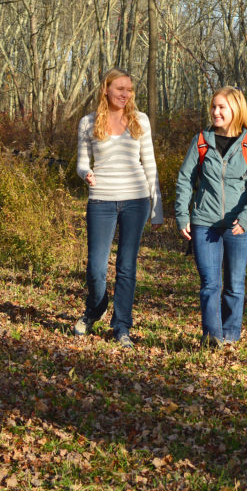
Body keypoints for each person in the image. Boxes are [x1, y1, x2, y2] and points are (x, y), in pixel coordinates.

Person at [74, 68, 163, 348]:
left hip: (135, 200)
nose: (125, 94)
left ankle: (121, 326)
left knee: (127, 267)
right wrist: (85, 173)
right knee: (96, 267)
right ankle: (96, 309)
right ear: (106, 90)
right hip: (101, 199)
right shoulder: (88, 123)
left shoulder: (141, 121)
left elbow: (149, 164)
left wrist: (156, 206)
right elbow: (81, 162)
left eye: (129, 90)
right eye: (119, 89)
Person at [175, 86, 247, 347]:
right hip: (204, 223)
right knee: (209, 284)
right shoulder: (201, 141)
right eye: (213, 107)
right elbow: (185, 180)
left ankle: (230, 337)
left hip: (239, 226)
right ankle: (212, 337)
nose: (215, 112)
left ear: (235, 110)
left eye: (221, 107)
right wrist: (182, 216)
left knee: (234, 286)